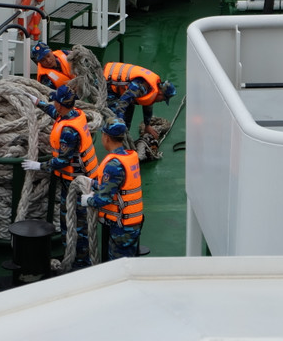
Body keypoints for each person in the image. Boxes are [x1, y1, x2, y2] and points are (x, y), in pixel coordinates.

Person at [21, 84, 98, 269]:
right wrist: (38, 103)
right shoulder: (75, 114)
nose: (52, 101)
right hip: (79, 177)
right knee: (70, 219)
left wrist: (39, 165)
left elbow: (62, 162)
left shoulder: (69, 132)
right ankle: (72, 254)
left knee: (74, 221)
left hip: (76, 183)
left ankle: (80, 260)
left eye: (54, 100)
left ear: (61, 104)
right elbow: (55, 114)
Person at [80, 120, 144, 260]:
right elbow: (119, 186)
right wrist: (95, 183)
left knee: (120, 266)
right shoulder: (129, 156)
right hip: (132, 223)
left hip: (122, 228)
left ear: (106, 137)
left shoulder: (113, 165)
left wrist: (88, 200)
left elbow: (104, 199)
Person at [103, 62, 176, 138]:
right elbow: (122, 103)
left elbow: (148, 105)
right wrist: (120, 121)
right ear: (161, 93)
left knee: (130, 107)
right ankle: (115, 139)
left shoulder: (152, 88)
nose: (161, 101)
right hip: (106, 85)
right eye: (163, 99)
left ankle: (124, 136)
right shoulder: (141, 87)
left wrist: (147, 125)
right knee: (115, 116)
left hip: (118, 89)